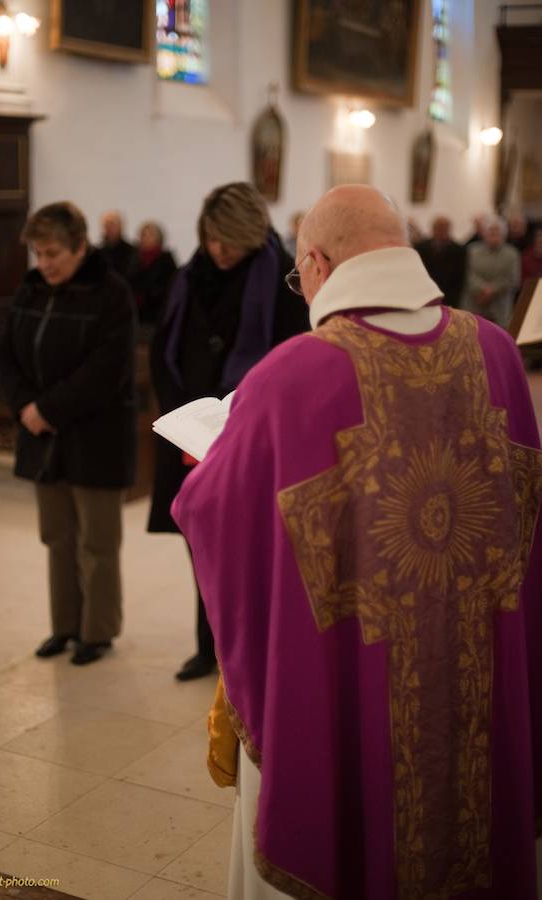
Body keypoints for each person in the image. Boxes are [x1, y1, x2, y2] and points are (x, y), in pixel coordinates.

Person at [172, 185, 542, 899]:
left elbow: (214, 512)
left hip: (359, 669)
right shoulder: (495, 353)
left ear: (313, 263)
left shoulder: (288, 375)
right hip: (474, 666)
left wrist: (217, 472)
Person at [148, 181, 309, 682]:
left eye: (231, 241)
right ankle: (208, 646)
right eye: (213, 238)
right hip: (189, 433)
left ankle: (251, 651)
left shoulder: (282, 283)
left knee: (250, 547)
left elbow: (291, 359)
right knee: (201, 542)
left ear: (254, 234)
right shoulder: (188, 276)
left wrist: (237, 415)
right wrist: (182, 416)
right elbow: (162, 349)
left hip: (250, 435)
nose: (220, 250)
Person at [0, 202, 137, 666]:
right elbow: (8, 358)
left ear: (80, 245)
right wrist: (25, 407)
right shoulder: (31, 290)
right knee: (56, 536)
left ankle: (96, 633)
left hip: (96, 433)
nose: (45, 263)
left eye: (53, 252)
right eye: (38, 253)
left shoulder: (111, 292)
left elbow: (108, 369)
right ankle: (64, 626)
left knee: (96, 541)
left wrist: (49, 408)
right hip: (42, 434)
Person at [462, 216, 520, 328]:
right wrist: (481, 289)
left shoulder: (512, 253)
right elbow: (467, 274)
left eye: (497, 231)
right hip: (474, 302)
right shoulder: (472, 250)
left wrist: (492, 290)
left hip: (500, 308)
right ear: (484, 233)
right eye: (490, 231)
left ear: (504, 234)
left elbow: (513, 279)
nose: (493, 234)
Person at [128, 220, 177, 326]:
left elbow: (170, 286)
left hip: (158, 313)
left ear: (159, 238)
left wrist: (149, 295)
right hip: (137, 314)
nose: (146, 238)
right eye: (143, 235)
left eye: (150, 235)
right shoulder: (134, 258)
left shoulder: (166, 260)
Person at [415, 214, 466, 308]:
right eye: (438, 228)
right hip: (426, 295)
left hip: (449, 297)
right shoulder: (420, 248)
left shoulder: (459, 250)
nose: (441, 231)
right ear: (433, 229)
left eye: (444, 228)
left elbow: (460, 278)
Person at [98, 210, 135, 279]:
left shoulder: (132, 252)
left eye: (112, 225)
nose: (109, 229)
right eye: (107, 226)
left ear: (121, 227)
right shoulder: (99, 253)